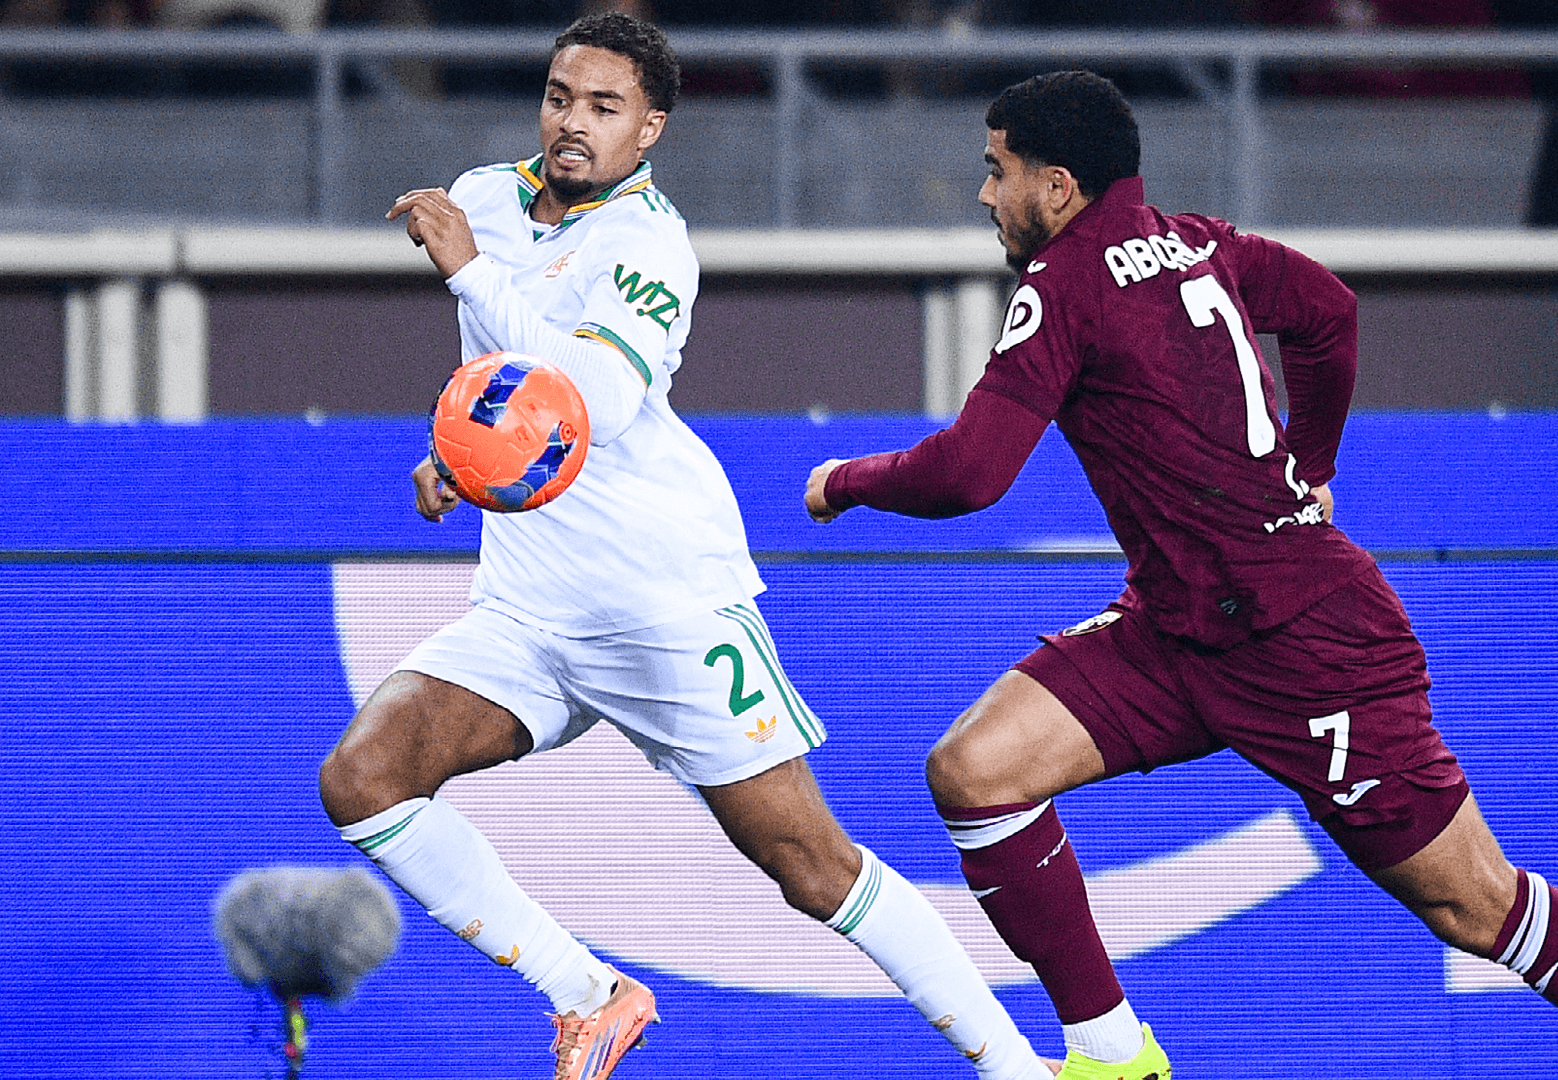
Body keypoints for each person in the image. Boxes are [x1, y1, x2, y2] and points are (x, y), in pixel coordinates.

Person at [805, 70, 1558, 1080]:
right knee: (978, 771)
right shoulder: (1205, 242)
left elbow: (971, 473)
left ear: (1058, 186)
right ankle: (1114, 1055)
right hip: (1181, 625)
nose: (986, 194)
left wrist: (846, 481)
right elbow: (1328, 311)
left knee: (1475, 903)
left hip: (1304, 640)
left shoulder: (1062, 283)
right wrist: (1312, 465)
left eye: (998, 170)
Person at [318, 15, 1057, 1080]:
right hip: (527, 606)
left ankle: (1015, 1066)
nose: (573, 123)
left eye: (604, 107)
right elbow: (503, 390)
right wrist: (459, 459)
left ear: (650, 128)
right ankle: (589, 995)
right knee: (365, 777)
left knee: (811, 867)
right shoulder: (483, 198)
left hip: (658, 600)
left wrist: (471, 273)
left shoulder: (647, 243)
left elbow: (595, 401)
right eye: (560, 97)